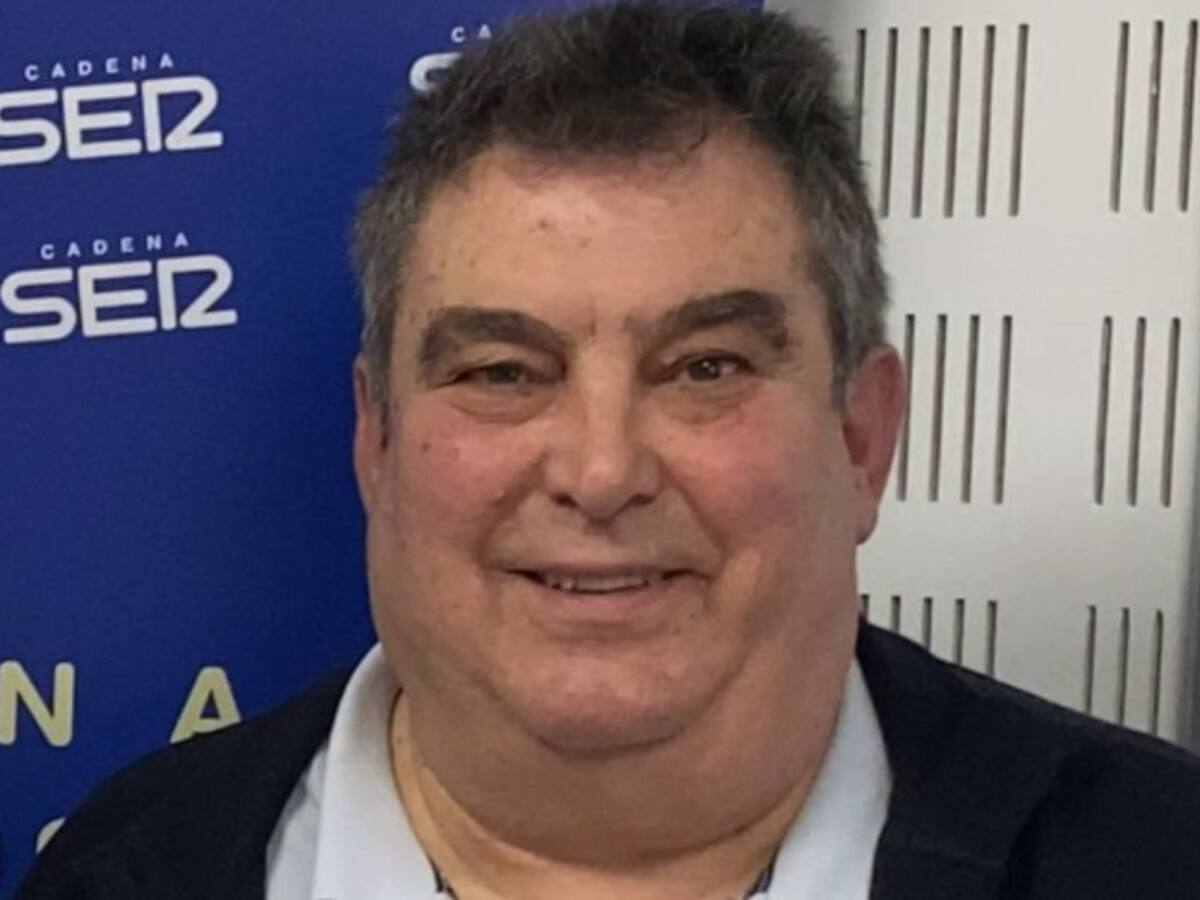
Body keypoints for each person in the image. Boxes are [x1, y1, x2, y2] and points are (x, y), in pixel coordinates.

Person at [17, 2, 1200, 898]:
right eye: (502, 372)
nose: (599, 471)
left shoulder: (1158, 856)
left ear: (861, 437)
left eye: (705, 367)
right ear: (375, 441)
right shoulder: (124, 873)